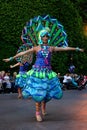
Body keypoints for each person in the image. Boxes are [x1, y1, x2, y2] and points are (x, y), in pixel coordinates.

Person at [3, 28, 84, 122]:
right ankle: (37, 112)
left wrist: (76, 49)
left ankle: (43, 108)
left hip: (48, 73)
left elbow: (64, 48)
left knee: (46, 92)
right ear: (40, 37)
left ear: (48, 38)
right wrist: (11, 58)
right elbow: (23, 53)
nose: (45, 38)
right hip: (38, 73)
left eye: (46, 36)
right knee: (39, 92)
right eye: (43, 36)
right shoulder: (37, 48)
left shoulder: (51, 48)